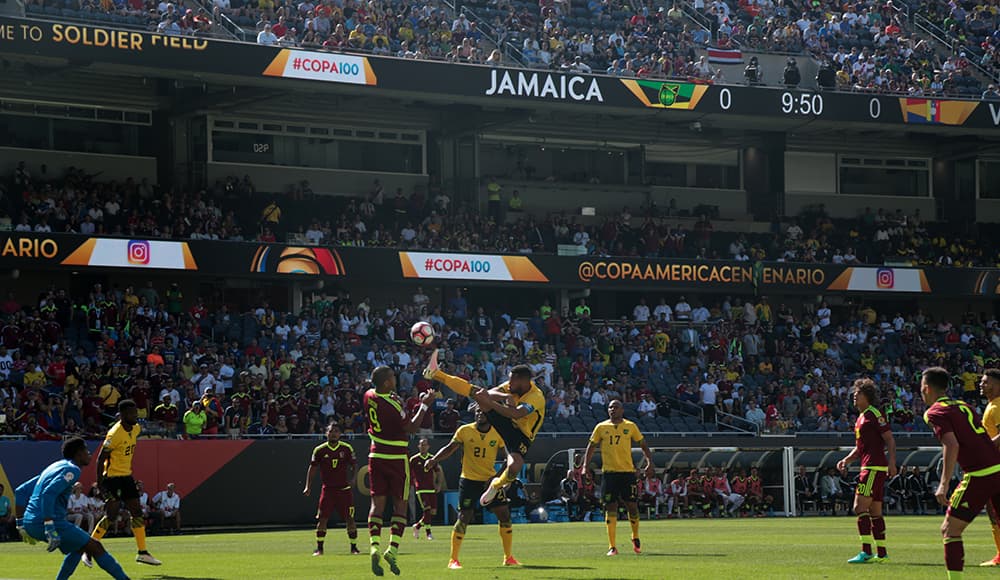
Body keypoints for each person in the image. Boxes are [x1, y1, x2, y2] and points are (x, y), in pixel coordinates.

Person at [424, 351, 545, 511]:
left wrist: (490, 402)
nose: (508, 382)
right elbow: (486, 393)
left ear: (523, 381)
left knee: (515, 466)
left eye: (512, 379)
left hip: (522, 435)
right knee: (477, 392)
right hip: (506, 422)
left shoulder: (536, 396)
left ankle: (497, 485)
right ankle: (436, 373)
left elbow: (516, 413)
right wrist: (500, 397)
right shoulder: (511, 388)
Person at [922, 366, 1000, 580]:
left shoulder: (935, 412)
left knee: (950, 530)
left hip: (981, 474)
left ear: (927, 389)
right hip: (997, 468)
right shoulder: (964, 405)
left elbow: (951, 445)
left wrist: (943, 483)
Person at [18, 437, 130, 579]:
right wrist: (49, 527)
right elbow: (48, 493)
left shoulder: (54, 467)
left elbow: (20, 491)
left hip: (31, 522)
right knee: (96, 547)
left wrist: (20, 524)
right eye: (87, 451)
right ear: (79, 454)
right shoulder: (73, 469)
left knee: (79, 547)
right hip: (48, 522)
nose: (90, 454)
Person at [423, 403, 518, 569]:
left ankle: (508, 557)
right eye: (477, 411)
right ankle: (453, 560)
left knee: (504, 515)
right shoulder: (465, 430)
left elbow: (508, 458)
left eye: (483, 411)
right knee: (464, 518)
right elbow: (450, 448)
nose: (479, 413)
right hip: (469, 480)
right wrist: (434, 460)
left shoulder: (498, 433)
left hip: (489, 482)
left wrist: (497, 478)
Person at [364, 365, 435, 576]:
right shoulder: (393, 404)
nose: (395, 379)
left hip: (375, 455)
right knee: (400, 506)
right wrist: (424, 406)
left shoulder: (368, 395)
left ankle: (374, 546)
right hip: (396, 457)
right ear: (387, 382)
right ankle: (392, 550)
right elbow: (411, 428)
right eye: (392, 377)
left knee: (376, 505)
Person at [86, 399, 161, 567]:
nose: (136, 416)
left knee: (137, 512)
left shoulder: (135, 428)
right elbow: (100, 459)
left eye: (136, 412)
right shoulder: (114, 433)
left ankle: (142, 552)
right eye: (132, 413)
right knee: (111, 514)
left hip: (126, 476)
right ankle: (88, 548)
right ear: (123, 415)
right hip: (112, 478)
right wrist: (100, 483)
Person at [577, 399, 655, 556]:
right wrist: (585, 466)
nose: (612, 409)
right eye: (610, 407)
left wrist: (649, 462)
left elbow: (643, 444)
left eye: (616, 407)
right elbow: (591, 447)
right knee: (610, 506)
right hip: (609, 474)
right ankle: (612, 546)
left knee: (631, 506)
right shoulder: (601, 427)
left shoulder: (630, 426)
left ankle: (635, 536)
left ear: (622, 410)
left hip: (627, 473)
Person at [836, 378, 896, 564]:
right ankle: (882, 553)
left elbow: (890, 440)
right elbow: (860, 447)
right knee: (875, 511)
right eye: (854, 393)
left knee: (859, 507)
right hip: (870, 466)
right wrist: (847, 459)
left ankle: (866, 551)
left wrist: (892, 463)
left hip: (872, 468)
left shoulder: (873, 414)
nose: (854, 396)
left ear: (867, 396)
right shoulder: (861, 418)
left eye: (858, 393)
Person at [303, 422, 359, 556]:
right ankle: (319, 548)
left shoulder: (346, 448)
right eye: (331, 431)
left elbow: (354, 465)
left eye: (336, 431)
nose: (333, 434)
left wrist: (354, 479)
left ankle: (354, 547)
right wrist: (307, 486)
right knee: (322, 518)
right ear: (326, 433)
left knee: (350, 519)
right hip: (328, 490)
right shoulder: (319, 450)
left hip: (344, 490)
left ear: (340, 434)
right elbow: (313, 468)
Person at [977, 368, 1000, 566]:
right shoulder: (991, 406)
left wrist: (986, 448)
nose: (981, 384)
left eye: (986, 382)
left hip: (997, 468)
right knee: (993, 511)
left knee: (994, 511)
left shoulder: (997, 406)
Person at [409, 437, 443, 541]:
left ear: (428, 446)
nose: (423, 447)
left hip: (431, 488)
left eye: (425, 445)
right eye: (421, 445)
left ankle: (417, 526)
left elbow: (438, 472)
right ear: (418, 446)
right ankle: (429, 533)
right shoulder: (414, 459)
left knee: (432, 512)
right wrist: (410, 484)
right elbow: (408, 473)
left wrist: (438, 484)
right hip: (421, 489)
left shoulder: (432, 459)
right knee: (427, 510)